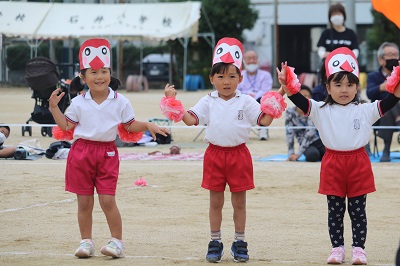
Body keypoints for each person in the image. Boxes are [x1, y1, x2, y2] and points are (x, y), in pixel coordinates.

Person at [161, 37, 285, 263]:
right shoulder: (207, 101)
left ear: (240, 78)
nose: (226, 81)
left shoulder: (246, 101)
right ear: (212, 78)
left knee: (239, 202)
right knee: (215, 202)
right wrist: (172, 102)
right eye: (220, 76)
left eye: (232, 76)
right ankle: (215, 241)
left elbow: (264, 121)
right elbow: (190, 120)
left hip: (239, 155)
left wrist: (283, 90)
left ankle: (240, 242)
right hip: (214, 155)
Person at [277, 47, 400, 265]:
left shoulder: (365, 110)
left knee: (358, 211)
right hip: (333, 162)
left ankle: (359, 250)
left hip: (358, 163)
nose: (344, 89)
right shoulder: (320, 109)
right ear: (328, 87)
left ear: (357, 87)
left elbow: (389, 102)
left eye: (350, 84)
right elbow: (298, 99)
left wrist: (397, 84)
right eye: (338, 84)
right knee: (335, 211)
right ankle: (337, 249)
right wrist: (287, 84)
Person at [49, 38, 170, 259]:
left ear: (110, 73)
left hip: (107, 153)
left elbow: (129, 125)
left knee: (107, 200)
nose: (99, 76)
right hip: (80, 153)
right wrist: (54, 108)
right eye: (93, 72)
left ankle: (116, 242)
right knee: (84, 202)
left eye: (103, 71)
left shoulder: (120, 101)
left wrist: (148, 125)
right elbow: (66, 126)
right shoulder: (77, 102)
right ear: (82, 77)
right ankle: (86, 242)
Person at [366, 42, 400, 162]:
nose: (393, 58)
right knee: (387, 104)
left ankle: (387, 150)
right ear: (381, 59)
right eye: (389, 55)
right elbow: (369, 93)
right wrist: (384, 86)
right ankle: (386, 148)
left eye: (395, 55)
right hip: (380, 115)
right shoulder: (373, 76)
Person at [237, 50, 273, 140]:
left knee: (265, 100)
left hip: (260, 101)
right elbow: (236, 90)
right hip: (242, 102)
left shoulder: (266, 75)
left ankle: (263, 130)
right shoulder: (238, 75)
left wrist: (253, 99)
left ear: (258, 60)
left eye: (254, 58)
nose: (252, 61)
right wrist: (248, 98)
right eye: (249, 58)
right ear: (243, 60)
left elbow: (265, 90)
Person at [285, 85, 325, 162]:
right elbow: (289, 133)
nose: (306, 98)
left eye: (308, 96)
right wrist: (291, 154)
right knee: (312, 155)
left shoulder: (312, 110)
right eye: (303, 95)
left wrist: (298, 154)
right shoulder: (290, 112)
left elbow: (310, 133)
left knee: (327, 153)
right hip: (306, 144)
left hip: (318, 140)